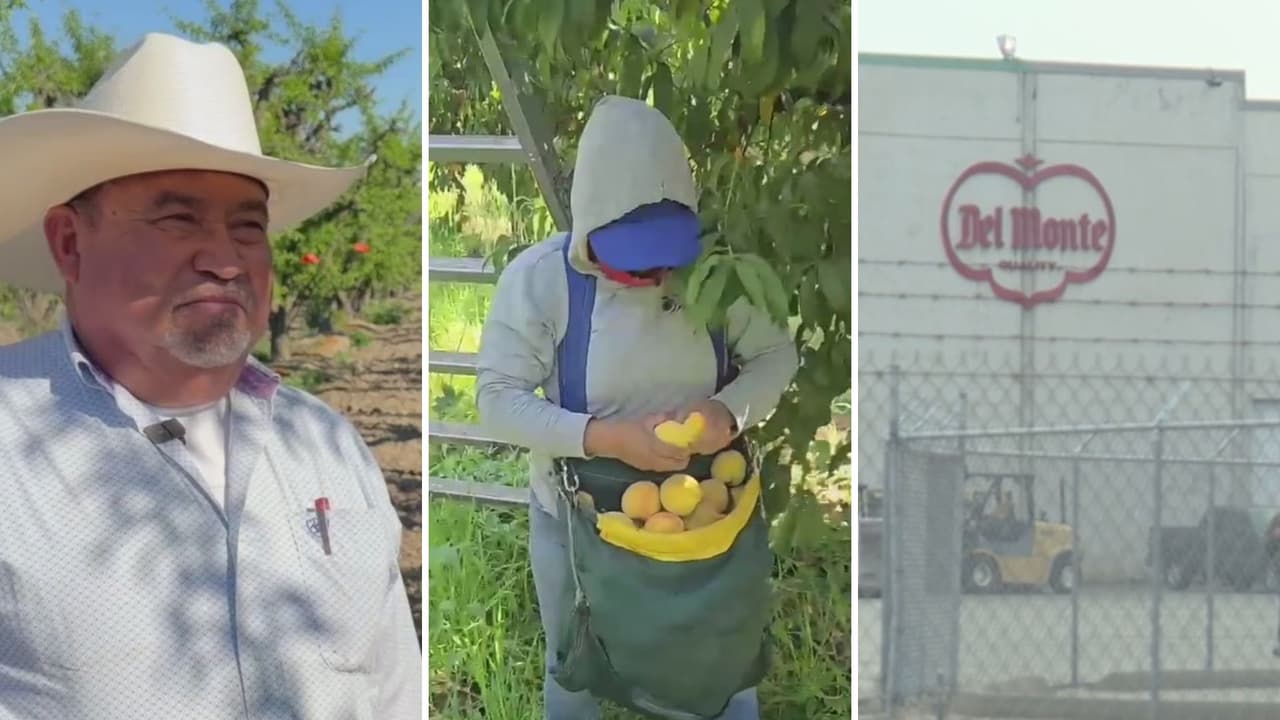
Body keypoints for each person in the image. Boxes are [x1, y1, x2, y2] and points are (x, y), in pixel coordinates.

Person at [0, 33, 420, 719]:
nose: (225, 260)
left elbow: (392, 683)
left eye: (248, 227)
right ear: (70, 244)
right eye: (177, 219)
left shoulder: (325, 443)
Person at [477, 95, 799, 719]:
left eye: (664, 255)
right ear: (589, 228)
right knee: (574, 664)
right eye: (633, 257)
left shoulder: (716, 275)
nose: (653, 273)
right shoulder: (543, 280)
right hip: (581, 514)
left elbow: (775, 358)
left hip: (708, 513)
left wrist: (728, 414)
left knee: (720, 655)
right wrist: (604, 437)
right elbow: (497, 400)